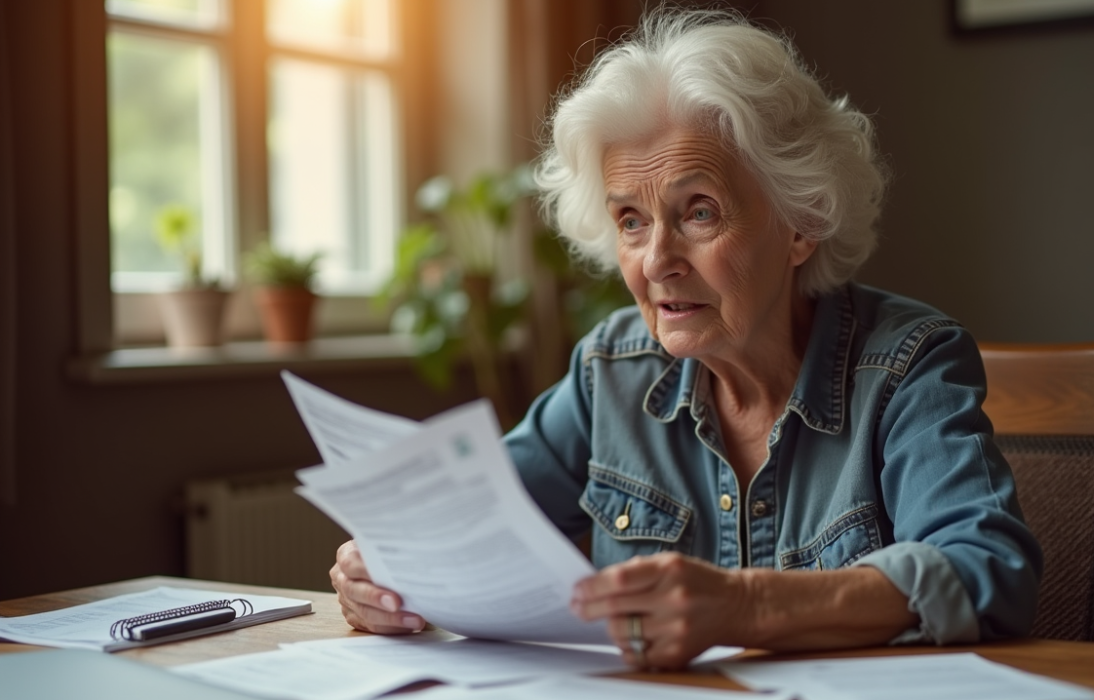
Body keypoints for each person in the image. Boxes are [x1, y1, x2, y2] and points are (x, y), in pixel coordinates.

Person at [330, 8, 1042, 670]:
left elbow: (988, 570)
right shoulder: (608, 370)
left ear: (801, 223)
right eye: (632, 220)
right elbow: (470, 525)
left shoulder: (908, 363)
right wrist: (385, 566)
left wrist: (745, 606)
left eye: (698, 212)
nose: (656, 260)